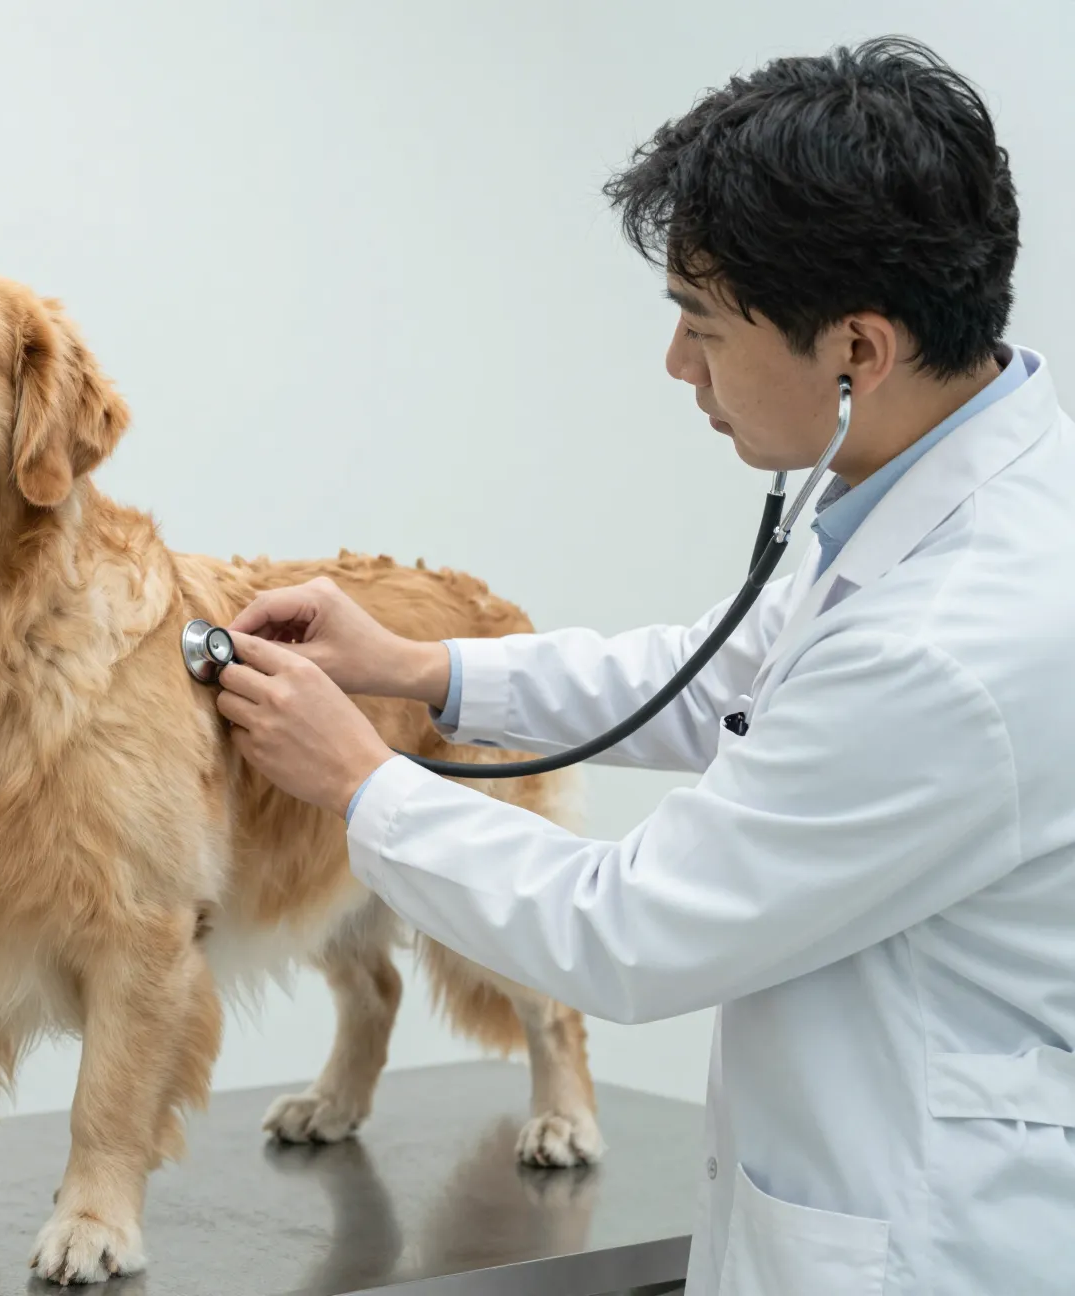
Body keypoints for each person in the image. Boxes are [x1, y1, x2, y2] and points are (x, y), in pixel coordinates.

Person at [213, 36, 1075, 1296]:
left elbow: (630, 930)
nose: (680, 369)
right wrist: (419, 667)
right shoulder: (947, 507)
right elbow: (719, 675)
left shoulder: (956, 641)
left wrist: (363, 785)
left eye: (704, 327)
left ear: (860, 352)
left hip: (924, 1250)